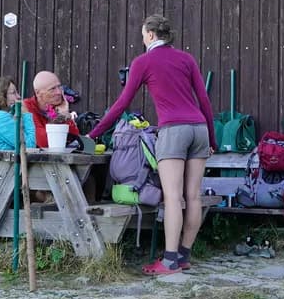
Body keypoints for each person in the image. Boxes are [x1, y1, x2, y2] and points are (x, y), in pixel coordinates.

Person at [87, 14, 217, 276]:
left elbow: (122, 103)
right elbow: (204, 100)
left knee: (172, 197)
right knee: (192, 196)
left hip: (173, 130)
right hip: (199, 129)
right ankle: (184, 256)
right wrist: (212, 138)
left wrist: (94, 133)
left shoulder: (143, 62)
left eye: (142, 34)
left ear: (149, 35)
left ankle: (169, 262)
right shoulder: (187, 59)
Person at [26, 71, 78, 148]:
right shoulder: (27, 108)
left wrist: (64, 115)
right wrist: (60, 119)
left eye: (59, 86)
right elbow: (45, 143)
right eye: (52, 89)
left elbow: (74, 136)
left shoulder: (56, 107)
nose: (59, 92)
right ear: (38, 93)